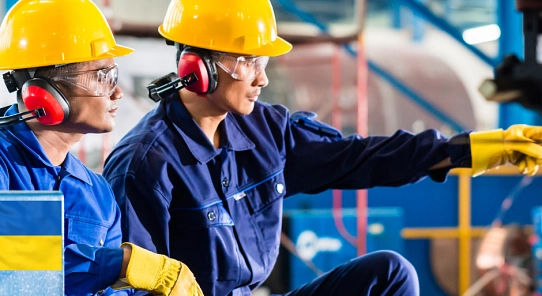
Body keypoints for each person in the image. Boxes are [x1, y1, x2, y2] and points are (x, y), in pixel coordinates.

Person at [102, 0, 542, 295]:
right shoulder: (147, 163)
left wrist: (469, 150)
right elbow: (129, 283)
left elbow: (361, 157)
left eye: (264, 61)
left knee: (389, 274)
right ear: (196, 68)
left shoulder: (266, 131)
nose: (262, 78)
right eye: (249, 61)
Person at [0, 1, 203, 295]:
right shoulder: (5, 166)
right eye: (101, 77)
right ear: (43, 94)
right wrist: (121, 264)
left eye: (114, 76)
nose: (117, 92)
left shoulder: (95, 191)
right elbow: (20, 274)